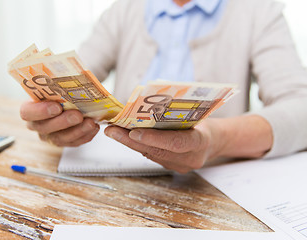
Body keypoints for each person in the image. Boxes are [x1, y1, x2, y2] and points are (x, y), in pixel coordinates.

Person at [20, 0, 307, 174]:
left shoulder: (259, 11)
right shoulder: (125, 9)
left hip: (214, 187)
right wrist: (54, 119)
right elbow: (71, 81)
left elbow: (301, 109)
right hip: (118, 186)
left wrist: (217, 138)